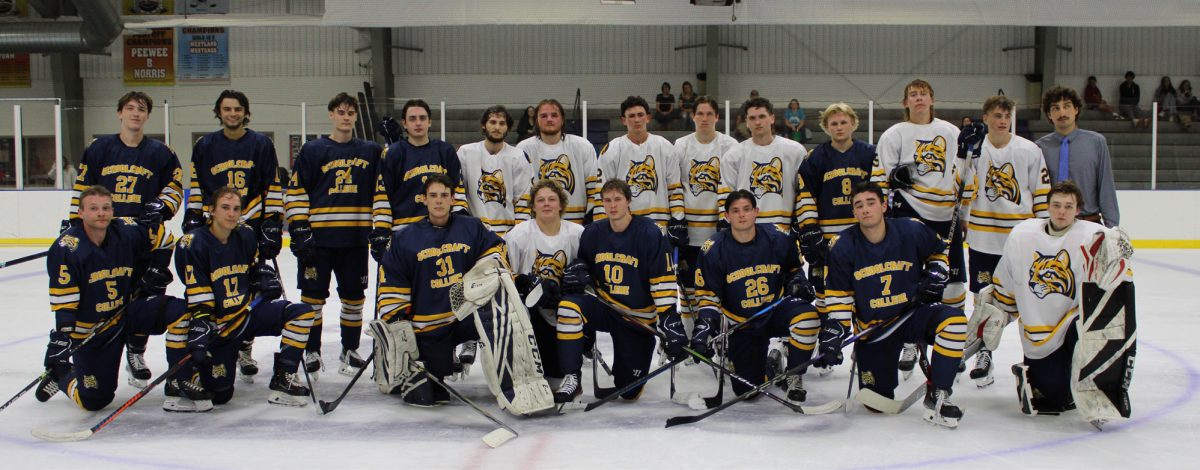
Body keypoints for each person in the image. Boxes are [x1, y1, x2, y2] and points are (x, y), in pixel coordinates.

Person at [373, 174, 553, 414]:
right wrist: (397, 320)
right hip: (429, 327)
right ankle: (417, 370)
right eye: (433, 196)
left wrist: (484, 280)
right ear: (424, 200)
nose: (439, 201)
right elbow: (391, 282)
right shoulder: (405, 238)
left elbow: (495, 252)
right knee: (429, 394)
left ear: (453, 199)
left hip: (465, 316)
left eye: (444, 196)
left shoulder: (470, 227)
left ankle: (520, 382)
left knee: (506, 308)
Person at [824, 182, 968, 428]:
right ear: (854, 213)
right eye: (859, 205)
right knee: (876, 403)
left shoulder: (910, 230)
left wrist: (935, 273)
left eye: (871, 203)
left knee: (954, 321)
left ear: (884, 205)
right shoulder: (843, 246)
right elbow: (839, 295)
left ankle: (940, 393)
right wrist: (835, 331)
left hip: (912, 314)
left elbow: (939, 252)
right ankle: (866, 356)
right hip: (877, 329)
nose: (866, 209)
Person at [66, 91, 184, 388]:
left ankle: (135, 352)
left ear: (147, 116)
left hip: (142, 239)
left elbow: (175, 187)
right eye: (130, 108)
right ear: (120, 113)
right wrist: (74, 223)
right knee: (103, 297)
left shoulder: (161, 153)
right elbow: (82, 189)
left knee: (141, 296)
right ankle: (86, 352)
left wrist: (163, 206)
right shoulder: (99, 149)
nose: (135, 113)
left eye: (141, 109)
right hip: (104, 240)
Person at [36, 185, 190, 410]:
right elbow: (65, 302)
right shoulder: (67, 249)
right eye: (94, 208)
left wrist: (155, 270)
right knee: (95, 401)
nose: (101, 213)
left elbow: (165, 238)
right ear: (80, 213)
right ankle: (62, 375)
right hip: (91, 330)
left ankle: (179, 380)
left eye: (106, 208)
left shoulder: (125, 231)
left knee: (181, 312)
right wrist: (63, 337)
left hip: (126, 312)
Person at [973, 181, 1112, 415]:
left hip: (1075, 322)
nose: (1061, 211)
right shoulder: (1023, 235)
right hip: (1039, 332)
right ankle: (1038, 378)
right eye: (1056, 205)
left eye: (1068, 206)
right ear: (1047, 207)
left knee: (1092, 333)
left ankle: (1095, 383)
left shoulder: (1093, 237)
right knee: (1053, 400)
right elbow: (1008, 278)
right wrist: (998, 312)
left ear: (1078, 211)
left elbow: (1118, 273)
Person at [175, 186, 317, 407]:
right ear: (211, 210)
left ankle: (284, 377)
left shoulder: (245, 235)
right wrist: (202, 324)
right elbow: (196, 289)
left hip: (247, 314)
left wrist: (262, 280)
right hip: (219, 324)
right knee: (220, 395)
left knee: (301, 313)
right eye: (225, 208)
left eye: (236, 208)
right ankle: (191, 374)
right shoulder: (193, 243)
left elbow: (253, 270)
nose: (232, 214)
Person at [871, 79, 969, 378]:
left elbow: (965, 174)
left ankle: (950, 343)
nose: (918, 99)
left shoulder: (950, 132)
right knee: (908, 279)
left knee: (952, 284)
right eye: (913, 95)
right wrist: (889, 185)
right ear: (905, 102)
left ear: (932, 99)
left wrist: (963, 214)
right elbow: (877, 177)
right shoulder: (894, 134)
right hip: (909, 213)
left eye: (923, 94)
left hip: (945, 216)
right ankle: (910, 340)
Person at [184, 89, 284, 381]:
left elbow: (272, 185)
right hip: (216, 228)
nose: (232, 114)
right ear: (219, 112)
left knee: (251, 287)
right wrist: (193, 215)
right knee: (219, 286)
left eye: (237, 109)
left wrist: (273, 221)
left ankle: (245, 347)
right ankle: (218, 340)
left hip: (250, 225)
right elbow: (197, 184)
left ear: (245, 112)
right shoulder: (205, 145)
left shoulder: (261, 144)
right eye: (227, 109)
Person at [553, 179, 679, 404]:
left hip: (636, 317)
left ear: (629, 201)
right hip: (605, 307)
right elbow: (584, 268)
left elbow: (663, 280)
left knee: (628, 392)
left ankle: (630, 373)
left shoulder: (650, 233)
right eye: (607, 200)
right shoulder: (593, 232)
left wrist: (669, 319)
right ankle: (572, 378)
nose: (612, 205)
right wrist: (579, 271)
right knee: (569, 305)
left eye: (618, 199)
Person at [285, 92, 382, 377]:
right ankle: (312, 349)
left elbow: (386, 184)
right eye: (341, 112)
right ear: (331, 114)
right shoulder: (313, 150)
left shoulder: (371, 151)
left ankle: (349, 349)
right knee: (312, 299)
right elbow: (297, 190)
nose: (346, 117)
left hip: (354, 239)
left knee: (354, 299)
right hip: (319, 241)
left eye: (350, 112)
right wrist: (299, 226)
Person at [694, 190, 819, 402]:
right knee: (748, 392)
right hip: (742, 323)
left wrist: (798, 283)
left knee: (808, 318)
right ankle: (771, 365)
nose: (741, 215)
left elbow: (794, 271)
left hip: (775, 310)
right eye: (735, 211)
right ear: (727, 216)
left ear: (756, 212)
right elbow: (708, 297)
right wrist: (705, 326)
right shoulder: (714, 249)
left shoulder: (777, 238)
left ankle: (794, 375)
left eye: (746, 209)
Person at [797, 103, 879, 352]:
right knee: (824, 294)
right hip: (828, 240)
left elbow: (879, 193)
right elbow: (806, 196)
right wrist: (809, 230)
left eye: (844, 122)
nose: (839, 127)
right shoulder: (816, 158)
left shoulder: (869, 154)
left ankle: (864, 344)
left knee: (864, 291)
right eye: (834, 123)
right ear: (826, 127)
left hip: (861, 236)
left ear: (854, 124)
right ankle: (827, 343)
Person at [504, 180, 585, 382]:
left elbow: (589, 274)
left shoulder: (577, 234)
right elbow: (505, 275)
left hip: (566, 306)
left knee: (556, 373)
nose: (546, 204)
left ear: (561, 204)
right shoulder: (518, 235)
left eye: (552, 199)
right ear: (533, 206)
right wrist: (523, 283)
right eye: (540, 200)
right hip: (530, 309)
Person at [673, 97, 738, 323]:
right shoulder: (681, 145)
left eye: (709, 114)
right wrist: (677, 219)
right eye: (700, 113)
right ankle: (691, 343)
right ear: (693, 116)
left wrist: (726, 218)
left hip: (721, 232)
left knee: (723, 287)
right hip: (690, 233)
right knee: (688, 289)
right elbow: (676, 185)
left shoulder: (730, 145)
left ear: (717, 117)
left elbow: (733, 185)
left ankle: (720, 341)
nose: (704, 118)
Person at [372, 99, 467, 236]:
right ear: (404, 123)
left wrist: (459, 223)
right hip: (405, 232)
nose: (418, 123)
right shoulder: (392, 154)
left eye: (422, 118)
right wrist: (382, 230)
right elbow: (382, 196)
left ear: (429, 121)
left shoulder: (445, 151)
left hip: (441, 231)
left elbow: (458, 191)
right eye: (412, 119)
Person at [719, 96, 813, 234]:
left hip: (785, 233)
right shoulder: (733, 155)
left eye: (762, 116)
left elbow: (804, 194)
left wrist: (804, 226)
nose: (757, 122)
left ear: (772, 118)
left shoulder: (795, 151)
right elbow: (725, 196)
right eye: (752, 118)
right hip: (746, 234)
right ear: (746, 122)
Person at [597, 96, 685, 233]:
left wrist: (678, 221)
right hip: (623, 228)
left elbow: (674, 190)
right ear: (623, 120)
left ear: (648, 117)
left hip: (659, 226)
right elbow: (602, 193)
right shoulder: (611, 149)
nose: (637, 120)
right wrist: (601, 228)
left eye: (640, 115)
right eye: (631, 116)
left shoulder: (665, 146)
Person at [1035, 86, 1120, 228]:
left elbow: (1106, 187)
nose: (1062, 112)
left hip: (1088, 223)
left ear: (1076, 109)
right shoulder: (1039, 148)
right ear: (1049, 115)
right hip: (1052, 225)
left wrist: (1113, 229)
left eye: (1067, 106)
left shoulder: (1096, 142)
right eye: (1055, 108)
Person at [516, 99, 601, 225]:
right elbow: (521, 194)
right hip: (538, 227)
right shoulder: (523, 149)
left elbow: (594, 188)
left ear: (562, 120)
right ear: (536, 121)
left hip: (578, 225)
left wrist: (589, 223)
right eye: (544, 116)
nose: (549, 119)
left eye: (554, 115)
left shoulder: (583, 146)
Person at [457, 105, 532, 237]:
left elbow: (523, 201)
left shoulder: (518, 156)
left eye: (502, 123)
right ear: (483, 125)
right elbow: (459, 196)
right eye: (492, 122)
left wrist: (520, 235)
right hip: (473, 232)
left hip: (508, 233)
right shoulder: (465, 153)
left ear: (507, 127)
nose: (497, 127)